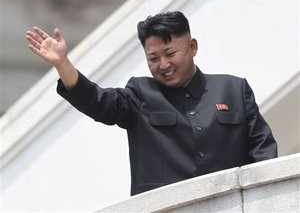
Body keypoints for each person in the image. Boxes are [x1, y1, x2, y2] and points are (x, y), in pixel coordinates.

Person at [26, 11, 277, 196]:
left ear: (192, 47)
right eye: (153, 58)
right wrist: (63, 64)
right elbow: (98, 101)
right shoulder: (140, 93)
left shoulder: (233, 89)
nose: (163, 65)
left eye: (170, 54)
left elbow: (264, 155)